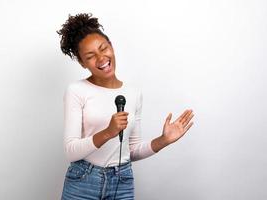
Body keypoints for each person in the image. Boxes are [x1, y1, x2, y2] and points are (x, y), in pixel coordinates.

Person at [57, 13, 194, 200]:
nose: (101, 58)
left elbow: (133, 150)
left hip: (122, 181)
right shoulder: (77, 90)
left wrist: (164, 140)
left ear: (111, 46)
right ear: (82, 62)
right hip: (83, 181)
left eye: (103, 48)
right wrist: (108, 132)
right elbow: (71, 151)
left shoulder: (134, 93)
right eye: (90, 56)